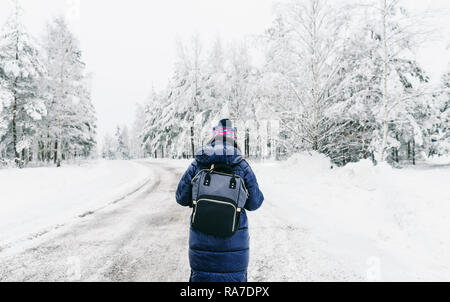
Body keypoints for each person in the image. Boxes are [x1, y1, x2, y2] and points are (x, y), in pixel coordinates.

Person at [176, 119, 264, 282]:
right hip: (234, 245)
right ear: (233, 139)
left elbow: (181, 197)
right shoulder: (242, 165)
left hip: (201, 245)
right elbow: (255, 203)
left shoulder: (198, 163)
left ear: (213, 139)